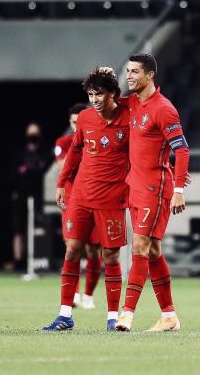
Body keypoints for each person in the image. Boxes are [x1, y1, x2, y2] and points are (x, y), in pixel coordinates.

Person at [43, 67, 130, 331]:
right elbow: (76, 151)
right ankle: (65, 314)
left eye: (100, 94)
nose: (94, 99)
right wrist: (60, 184)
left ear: (113, 94)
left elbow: (140, 96)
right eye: (91, 94)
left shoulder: (130, 116)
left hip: (112, 200)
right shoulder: (84, 119)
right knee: (72, 250)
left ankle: (113, 317)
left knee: (111, 257)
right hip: (81, 196)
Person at [115, 54, 189, 332]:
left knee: (140, 247)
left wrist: (179, 188)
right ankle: (169, 316)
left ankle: (127, 314)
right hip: (134, 186)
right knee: (154, 250)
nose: (130, 76)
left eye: (135, 72)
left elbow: (181, 149)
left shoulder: (164, 109)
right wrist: (103, 81)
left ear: (150, 75)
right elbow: (106, 105)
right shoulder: (133, 103)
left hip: (154, 189)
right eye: (127, 71)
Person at [55, 103, 102, 310]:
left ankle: (88, 296)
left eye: (79, 122)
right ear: (70, 122)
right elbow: (63, 167)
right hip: (72, 201)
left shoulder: (95, 139)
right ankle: (72, 294)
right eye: (74, 122)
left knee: (94, 250)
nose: (77, 125)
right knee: (71, 247)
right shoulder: (64, 143)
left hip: (95, 201)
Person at [8, 122, 50, 269]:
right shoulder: (19, 153)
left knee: (37, 228)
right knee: (18, 229)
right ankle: (18, 261)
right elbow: (13, 175)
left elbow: (43, 172)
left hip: (38, 197)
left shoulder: (44, 153)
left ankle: (36, 261)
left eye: (35, 133)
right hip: (20, 196)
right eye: (30, 133)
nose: (33, 137)